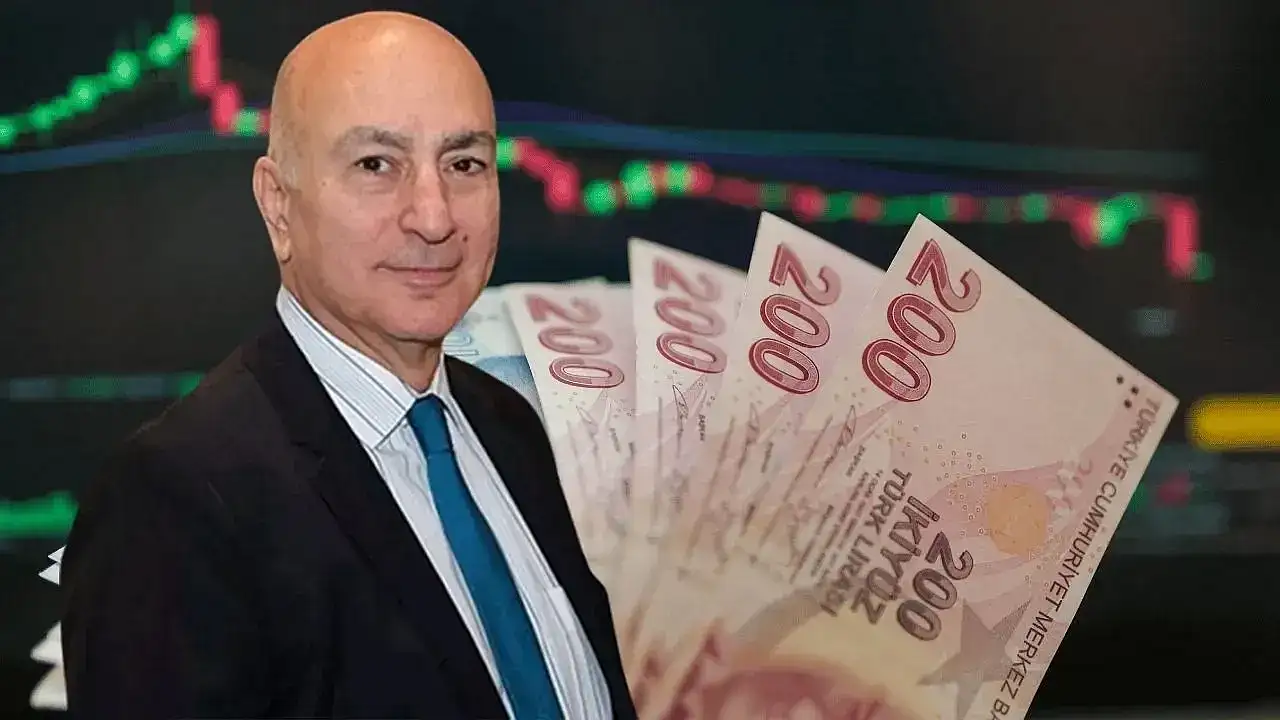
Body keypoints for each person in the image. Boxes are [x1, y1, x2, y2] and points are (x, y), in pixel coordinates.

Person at [59, 11, 637, 719]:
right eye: (375, 165)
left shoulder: (507, 425)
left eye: (464, 164)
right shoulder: (174, 501)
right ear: (278, 205)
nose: (433, 217)